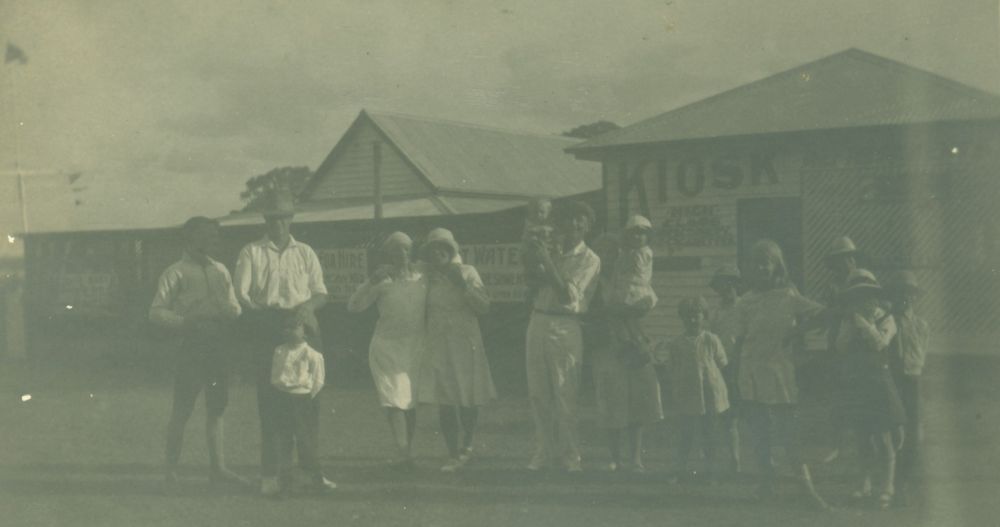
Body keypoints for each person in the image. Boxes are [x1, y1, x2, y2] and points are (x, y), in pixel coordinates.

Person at [233, 189, 333, 496]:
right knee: (272, 403)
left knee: (306, 402)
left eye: (283, 218)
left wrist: (306, 310)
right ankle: (271, 475)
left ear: (291, 219)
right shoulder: (251, 252)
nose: (278, 224)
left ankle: (312, 474)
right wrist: (267, 320)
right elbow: (242, 294)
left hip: (303, 328)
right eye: (273, 219)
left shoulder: (305, 251)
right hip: (269, 328)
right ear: (265, 219)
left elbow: (321, 292)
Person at [149, 216, 246, 488]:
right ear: (189, 239)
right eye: (204, 235)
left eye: (213, 236)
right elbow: (155, 312)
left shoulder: (221, 271)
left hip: (219, 345)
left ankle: (219, 469)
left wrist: (232, 311)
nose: (210, 241)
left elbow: (235, 306)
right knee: (182, 409)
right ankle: (170, 471)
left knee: (217, 408)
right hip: (191, 345)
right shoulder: (175, 272)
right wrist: (183, 322)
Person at [734, 239, 828, 508]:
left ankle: (807, 489)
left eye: (766, 262)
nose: (761, 267)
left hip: (780, 373)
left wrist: (797, 332)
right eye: (756, 263)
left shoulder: (789, 295)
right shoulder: (745, 302)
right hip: (750, 372)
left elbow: (822, 314)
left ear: (777, 266)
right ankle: (766, 485)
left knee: (790, 433)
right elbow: (740, 342)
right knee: (760, 432)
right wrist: (733, 378)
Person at [524, 201, 601, 472]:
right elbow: (532, 284)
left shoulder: (590, 259)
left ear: (588, 227)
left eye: (581, 221)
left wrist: (546, 261)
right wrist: (537, 258)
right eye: (570, 220)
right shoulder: (552, 248)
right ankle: (544, 452)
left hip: (566, 325)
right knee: (538, 393)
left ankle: (571, 456)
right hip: (538, 319)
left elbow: (567, 295)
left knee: (565, 392)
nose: (574, 225)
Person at [416, 228, 496, 472]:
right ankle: (452, 452)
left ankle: (468, 445)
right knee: (446, 401)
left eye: (443, 248)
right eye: (433, 249)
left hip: (466, 344)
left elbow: (484, 306)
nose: (438, 252)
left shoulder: (467, 272)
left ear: (452, 251)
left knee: (469, 398)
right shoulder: (426, 278)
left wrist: (462, 285)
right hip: (439, 345)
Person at [347, 232, 427, 471]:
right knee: (394, 401)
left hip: (415, 347)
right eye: (395, 251)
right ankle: (402, 452)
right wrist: (370, 281)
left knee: (408, 403)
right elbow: (353, 306)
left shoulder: (423, 277)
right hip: (386, 348)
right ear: (389, 255)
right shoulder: (382, 281)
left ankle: (406, 451)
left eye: (405, 250)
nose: (401, 255)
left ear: (411, 252)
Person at [588, 234, 662, 473]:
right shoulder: (593, 282)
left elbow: (648, 299)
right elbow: (590, 311)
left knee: (636, 400)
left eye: (613, 253)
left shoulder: (632, 279)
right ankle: (615, 457)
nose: (608, 259)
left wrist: (634, 309)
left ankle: (635, 457)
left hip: (634, 346)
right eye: (603, 254)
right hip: (607, 347)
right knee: (612, 401)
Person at [833, 269, 904, 509]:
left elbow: (879, 343)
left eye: (867, 294)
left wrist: (864, 323)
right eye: (857, 295)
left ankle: (888, 485)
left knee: (883, 437)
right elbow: (841, 346)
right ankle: (864, 484)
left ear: (875, 294)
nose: (863, 299)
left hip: (879, 384)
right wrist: (853, 322)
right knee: (862, 437)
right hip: (858, 383)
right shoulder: (848, 320)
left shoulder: (886, 318)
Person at [657, 296, 730, 483]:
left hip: (710, 393)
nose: (692, 320)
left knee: (709, 433)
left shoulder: (711, 339)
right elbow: (671, 368)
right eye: (687, 316)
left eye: (696, 316)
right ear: (682, 318)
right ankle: (680, 471)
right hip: (688, 394)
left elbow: (722, 363)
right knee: (686, 434)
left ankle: (710, 472)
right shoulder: (677, 343)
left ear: (703, 317)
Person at [269, 310, 331, 497]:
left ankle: (315, 477)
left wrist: (307, 396)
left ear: (304, 330)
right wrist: (280, 388)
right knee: (284, 440)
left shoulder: (312, 354)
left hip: (303, 400)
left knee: (306, 439)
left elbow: (318, 380)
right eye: (286, 328)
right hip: (283, 399)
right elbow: (275, 374)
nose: (289, 332)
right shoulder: (279, 350)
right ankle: (286, 483)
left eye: (294, 327)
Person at [887, 271, 929, 506]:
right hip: (893, 380)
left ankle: (904, 480)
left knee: (914, 432)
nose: (905, 298)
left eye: (909, 294)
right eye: (900, 293)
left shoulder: (921, 325)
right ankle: (892, 482)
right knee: (894, 431)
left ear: (915, 298)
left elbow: (922, 353)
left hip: (913, 380)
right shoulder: (887, 321)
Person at [822, 235, 861, 464]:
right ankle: (836, 446)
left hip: (858, 346)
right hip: (837, 344)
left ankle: (861, 446)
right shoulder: (834, 285)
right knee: (836, 398)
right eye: (837, 260)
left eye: (845, 259)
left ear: (852, 259)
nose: (842, 264)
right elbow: (830, 314)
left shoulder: (861, 280)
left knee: (859, 398)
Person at [709, 265, 743, 473]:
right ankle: (734, 460)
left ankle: (767, 457)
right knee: (728, 416)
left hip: (745, 366)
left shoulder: (744, 307)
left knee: (754, 413)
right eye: (722, 286)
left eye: (730, 284)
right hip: (724, 368)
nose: (727, 289)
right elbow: (712, 340)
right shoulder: (717, 313)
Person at [607, 215, 658, 346]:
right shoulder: (628, 253)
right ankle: (629, 342)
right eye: (633, 234)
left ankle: (639, 343)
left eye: (641, 234)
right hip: (627, 293)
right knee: (619, 318)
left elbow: (636, 267)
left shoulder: (644, 252)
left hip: (638, 294)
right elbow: (619, 274)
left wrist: (625, 254)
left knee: (629, 318)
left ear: (648, 237)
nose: (637, 237)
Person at [520, 197, 554, 306]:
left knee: (542, 272)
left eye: (542, 212)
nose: (538, 215)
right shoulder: (530, 226)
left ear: (548, 213)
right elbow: (531, 234)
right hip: (532, 254)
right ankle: (531, 293)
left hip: (544, 255)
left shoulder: (549, 226)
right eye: (535, 212)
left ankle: (536, 292)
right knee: (532, 272)